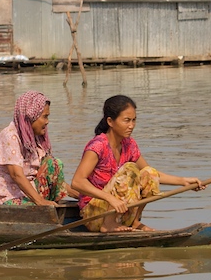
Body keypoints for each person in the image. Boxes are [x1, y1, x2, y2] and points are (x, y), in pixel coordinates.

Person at [71, 95, 203, 233]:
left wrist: (183, 181)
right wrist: (110, 199)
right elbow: (77, 182)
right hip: (95, 215)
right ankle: (108, 224)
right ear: (110, 121)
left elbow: (152, 174)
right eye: (126, 121)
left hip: (121, 211)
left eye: (134, 120)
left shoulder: (129, 145)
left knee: (149, 172)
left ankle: (134, 221)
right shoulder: (98, 146)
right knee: (130, 168)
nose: (131, 126)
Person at [0, 91, 74, 206]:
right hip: (6, 197)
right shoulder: (10, 136)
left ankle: (51, 206)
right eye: (45, 117)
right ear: (31, 117)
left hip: (28, 194)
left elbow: (54, 178)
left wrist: (81, 196)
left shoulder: (35, 139)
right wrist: (40, 201)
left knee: (53, 164)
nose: (47, 122)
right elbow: (16, 175)